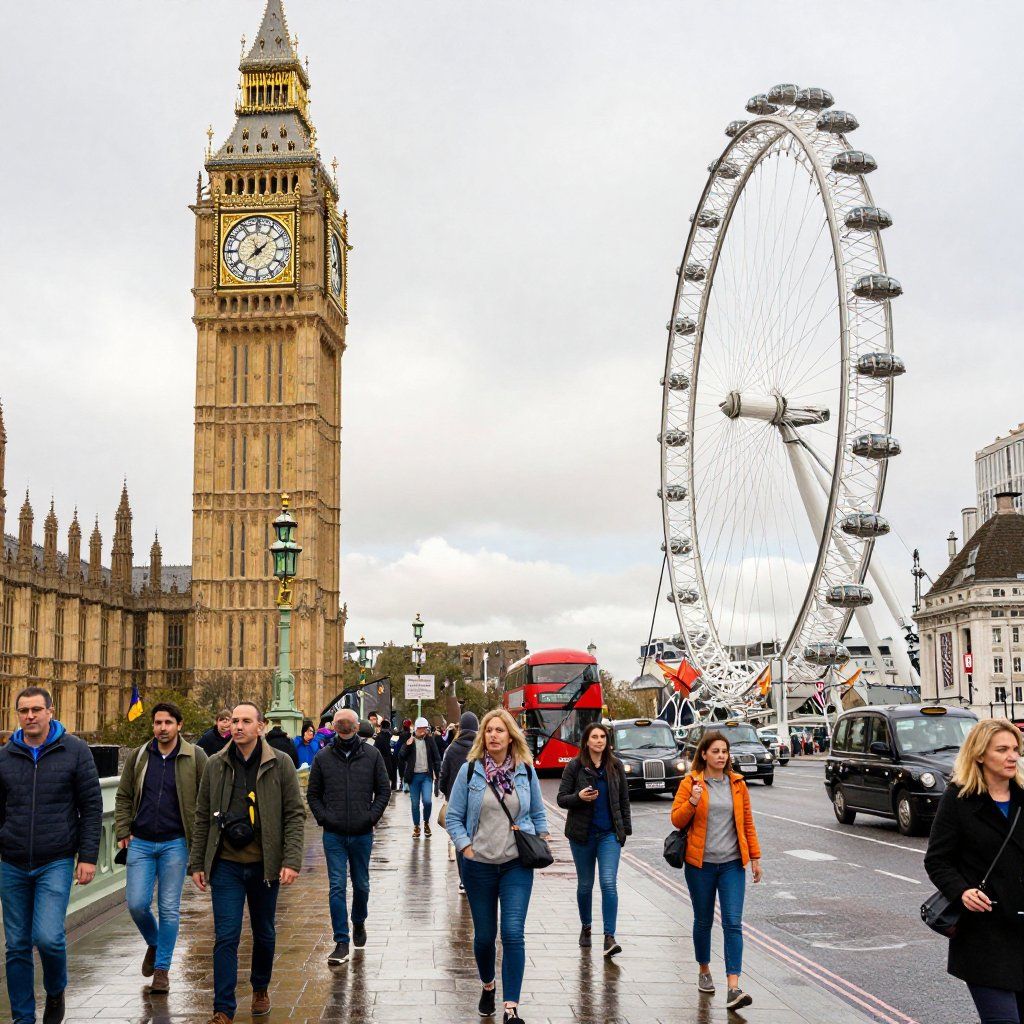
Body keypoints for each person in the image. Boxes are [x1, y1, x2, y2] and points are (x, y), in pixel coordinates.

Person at [189, 702, 305, 1024]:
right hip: (225, 862)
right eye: (234, 721)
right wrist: (197, 862)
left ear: (261, 726)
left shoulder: (280, 764)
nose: (237, 727)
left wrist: (291, 860)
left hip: (264, 864)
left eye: (245, 721)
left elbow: (295, 815)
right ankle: (223, 1009)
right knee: (226, 935)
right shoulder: (215, 764)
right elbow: (202, 816)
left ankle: (260, 987)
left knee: (264, 932)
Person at [0, 686, 102, 1024]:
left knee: (48, 937)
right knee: (15, 946)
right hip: (11, 861)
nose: (29, 716)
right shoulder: (5, 755)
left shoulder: (74, 750)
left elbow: (91, 807)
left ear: (50, 711)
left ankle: (56, 989)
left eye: (35, 710)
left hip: (55, 859)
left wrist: (88, 856)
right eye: (23, 710)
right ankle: (23, 1019)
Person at [445, 708, 550, 1024]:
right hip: (479, 866)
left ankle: (511, 1008)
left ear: (510, 736)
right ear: (482, 736)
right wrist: (466, 846)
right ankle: (488, 985)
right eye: (488, 730)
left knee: (513, 932)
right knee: (485, 936)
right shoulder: (470, 772)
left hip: (516, 864)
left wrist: (539, 838)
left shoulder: (526, 772)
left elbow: (538, 813)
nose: (493, 735)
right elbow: (453, 816)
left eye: (499, 730)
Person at [924, 718, 1024, 1024]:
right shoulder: (959, 800)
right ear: (980, 755)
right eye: (1002, 749)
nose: (1012, 756)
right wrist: (963, 891)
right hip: (985, 935)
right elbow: (937, 860)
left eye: (1016, 749)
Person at [114, 702, 208, 995]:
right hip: (140, 841)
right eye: (158, 723)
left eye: (168, 722)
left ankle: (162, 970)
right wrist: (122, 828)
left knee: (169, 908)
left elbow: (206, 799)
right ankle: (155, 944)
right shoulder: (141, 755)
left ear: (179, 725)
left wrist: (201, 847)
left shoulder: (196, 756)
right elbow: (124, 794)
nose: (162, 728)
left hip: (176, 843)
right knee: (137, 904)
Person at [670, 729, 762, 1011]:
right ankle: (704, 970)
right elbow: (676, 819)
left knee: (733, 923)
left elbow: (747, 822)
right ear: (704, 754)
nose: (721, 756)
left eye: (724, 751)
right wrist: (694, 800)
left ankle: (733, 987)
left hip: (733, 864)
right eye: (716, 751)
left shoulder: (737, 784)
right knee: (703, 921)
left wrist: (755, 858)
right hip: (701, 865)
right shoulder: (690, 783)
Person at [306, 708, 391, 966]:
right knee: (337, 886)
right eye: (339, 723)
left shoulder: (372, 755)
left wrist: (370, 817)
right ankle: (341, 941)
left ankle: (359, 920)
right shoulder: (323, 757)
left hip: (362, 833)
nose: (344, 727)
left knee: (362, 885)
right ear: (334, 727)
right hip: (333, 834)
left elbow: (384, 790)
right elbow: (313, 795)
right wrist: (324, 817)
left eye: (348, 723)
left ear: (357, 727)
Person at [557, 721, 631, 957]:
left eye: (603, 737)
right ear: (586, 741)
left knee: (608, 883)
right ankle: (586, 927)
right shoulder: (575, 767)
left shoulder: (616, 766)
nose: (600, 741)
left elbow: (624, 801)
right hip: (582, 835)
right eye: (595, 737)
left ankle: (609, 936)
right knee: (585, 885)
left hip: (609, 835)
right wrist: (579, 797)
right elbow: (561, 799)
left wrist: (624, 832)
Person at [439, 711, 479, 892]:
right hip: (479, 800)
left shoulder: (452, 748)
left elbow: (443, 776)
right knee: (477, 838)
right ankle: (477, 876)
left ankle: (463, 879)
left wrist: (447, 793)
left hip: (456, 802)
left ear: (460, 728)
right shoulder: (482, 748)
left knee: (460, 840)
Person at [399, 717, 442, 838]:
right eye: (422, 728)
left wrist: (438, 774)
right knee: (414, 803)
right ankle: (416, 826)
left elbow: (436, 757)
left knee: (427, 801)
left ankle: (426, 823)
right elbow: (401, 756)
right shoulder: (410, 740)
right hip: (414, 777)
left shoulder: (429, 740)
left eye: (426, 728)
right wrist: (407, 745)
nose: (424, 731)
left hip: (426, 776)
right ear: (417, 729)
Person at [374, 719, 396, 791]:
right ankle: (393, 786)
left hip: (380, 758)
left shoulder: (378, 737)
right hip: (390, 758)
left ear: (381, 727)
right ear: (389, 727)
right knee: (392, 773)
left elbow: (375, 748)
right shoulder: (392, 737)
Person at [395, 719, 412, 791]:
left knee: (401, 769)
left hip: (401, 755)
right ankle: (407, 785)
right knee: (407, 769)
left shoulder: (401, 734)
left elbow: (398, 745)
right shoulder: (410, 734)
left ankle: (401, 785)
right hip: (408, 755)